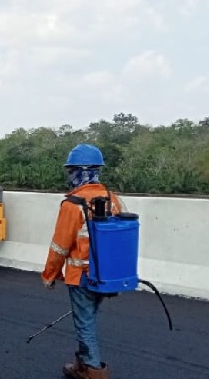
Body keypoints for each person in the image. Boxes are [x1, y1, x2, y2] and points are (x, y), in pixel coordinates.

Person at [41, 143, 122, 379]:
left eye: (71, 171)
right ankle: (82, 364)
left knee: (84, 324)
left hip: (82, 278)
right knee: (87, 319)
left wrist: (50, 275)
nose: (69, 175)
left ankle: (95, 371)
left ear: (77, 172)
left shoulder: (72, 204)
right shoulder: (113, 199)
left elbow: (60, 246)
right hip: (106, 276)